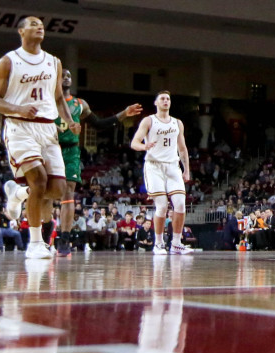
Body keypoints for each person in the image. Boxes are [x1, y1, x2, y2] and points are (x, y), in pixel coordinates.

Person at [0, 16, 77, 260]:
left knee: (57, 189)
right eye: (34, 24)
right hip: (20, 127)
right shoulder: (9, 61)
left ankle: (18, 194)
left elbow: (58, 98)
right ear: (21, 31)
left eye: (42, 25)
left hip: (48, 129)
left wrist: (69, 120)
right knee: (38, 180)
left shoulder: (54, 62)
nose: (39, 27)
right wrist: (18, 109)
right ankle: (35, 243)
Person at [55, 70, 142, 256]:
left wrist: (124, 114)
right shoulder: (48, 100)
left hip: (71, 150)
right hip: (50, 147)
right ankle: (42, 234)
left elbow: (100, 124)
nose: (67, 76)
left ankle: (64, 238)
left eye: (69, 74)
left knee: (68, 192)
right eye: (62, 74)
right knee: (45, 193)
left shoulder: (80, 104)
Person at [130, 91, 194, 255]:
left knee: (180, 203)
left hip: (173, 166)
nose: (165, 101)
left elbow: (182, 148)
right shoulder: (149, 120)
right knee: (162, 206)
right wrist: (144, 146)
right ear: (156, 103)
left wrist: (186, 169)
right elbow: (134, 142)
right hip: (154, 166)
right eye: (162, 99)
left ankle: (176, 243)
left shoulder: (177, 123)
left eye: (168, 99)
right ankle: (158, 243)